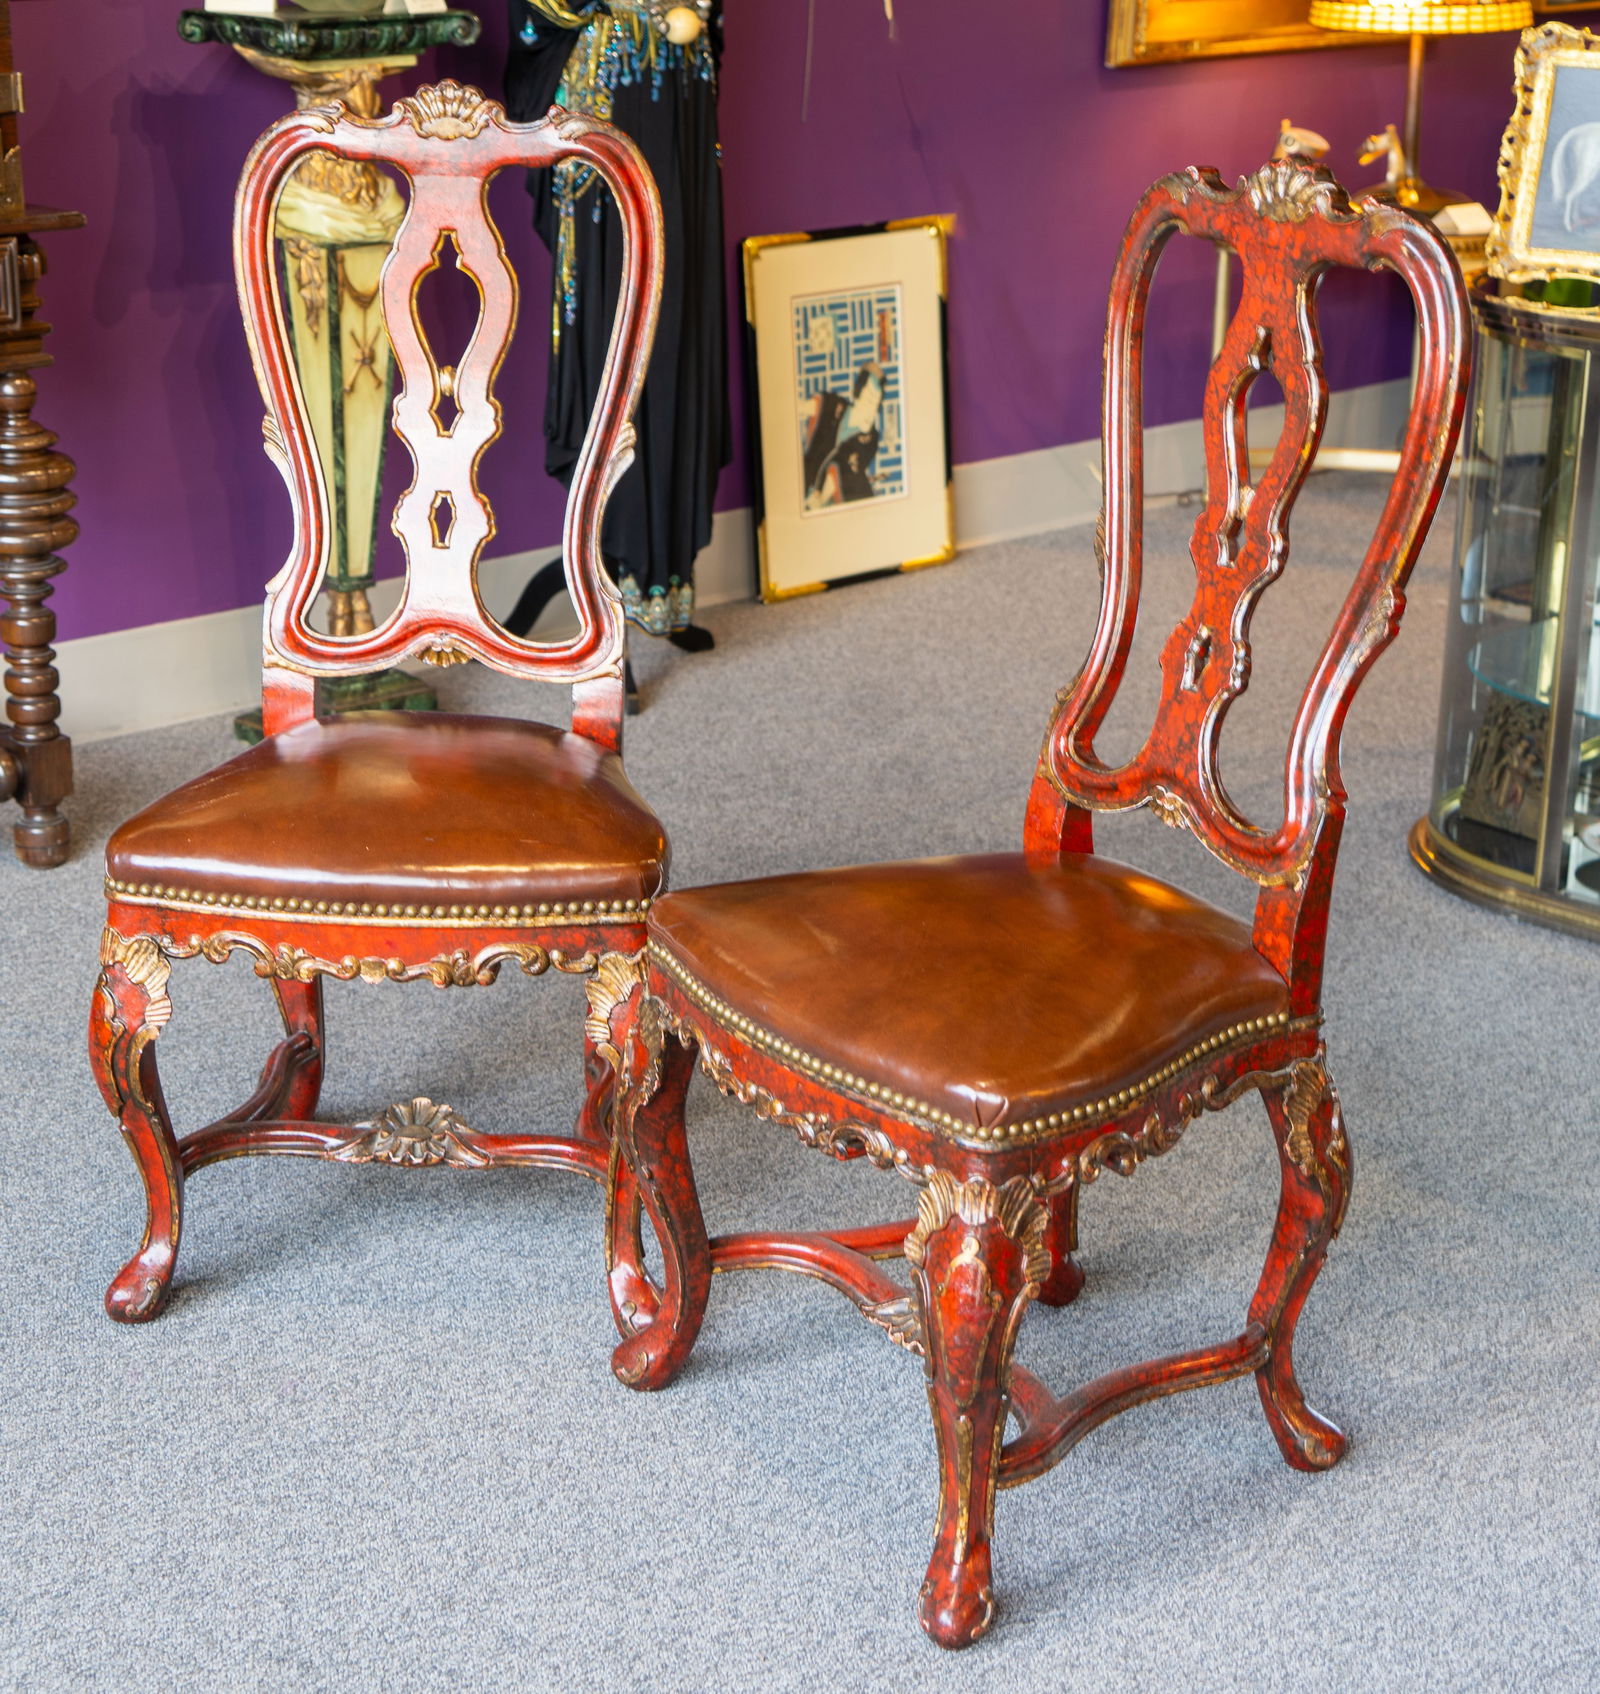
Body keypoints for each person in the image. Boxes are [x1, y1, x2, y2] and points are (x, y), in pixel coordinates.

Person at [503, 0, 729, 679]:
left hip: (679, 84)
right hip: (606, 86)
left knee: (678, 316)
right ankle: (608, 576)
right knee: (614, 327)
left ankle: (661, 572)